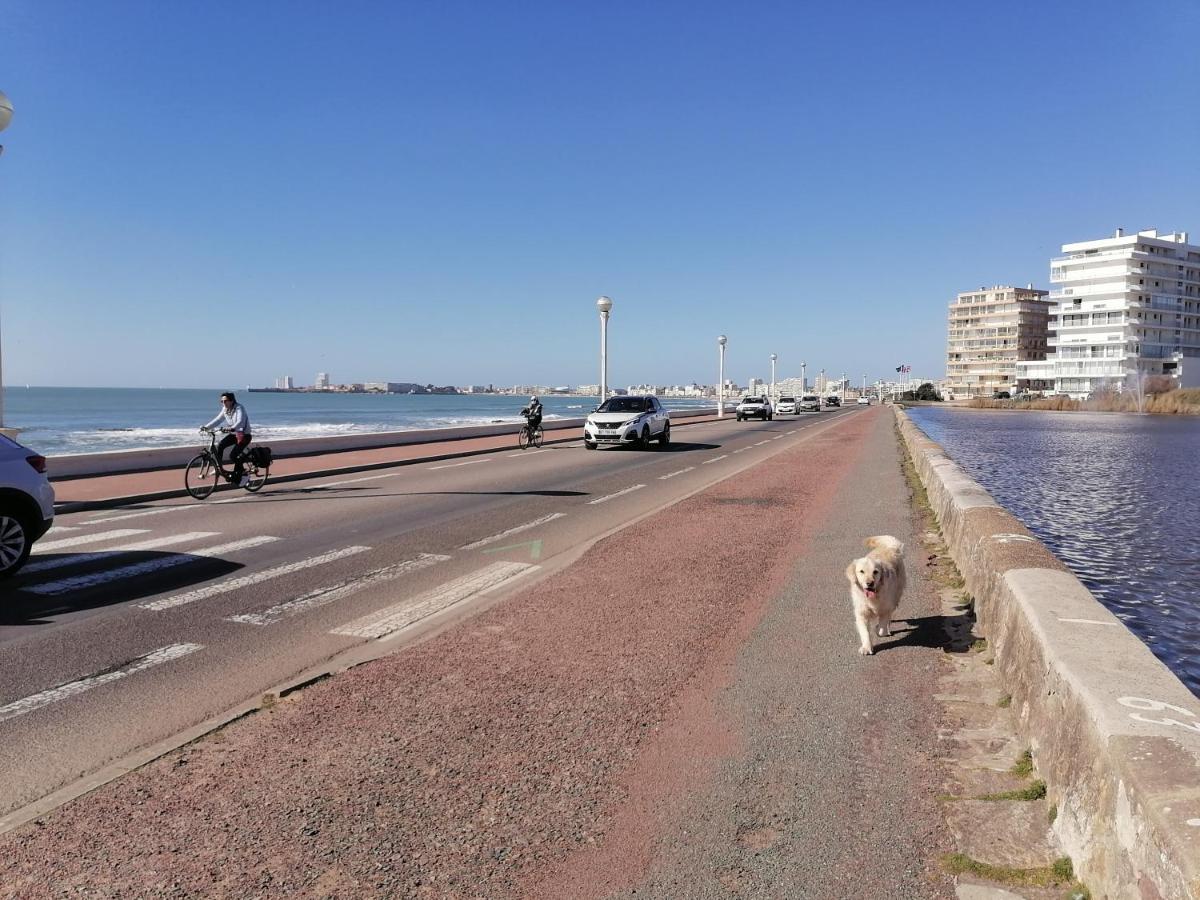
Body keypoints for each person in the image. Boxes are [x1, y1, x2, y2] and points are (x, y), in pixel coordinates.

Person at [202, 391, 253, 486]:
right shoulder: (225, 409)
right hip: (234, 434)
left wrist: (232, 427)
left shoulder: (239, 408)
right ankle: (218, 467)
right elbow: (218, 420)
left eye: (225, 401)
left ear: (231, 401)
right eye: (221, 401)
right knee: (220, 445)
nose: (223, 403)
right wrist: (206, 427)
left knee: (233, 455)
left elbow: (240, 421)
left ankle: (244, 474)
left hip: (243, 435)